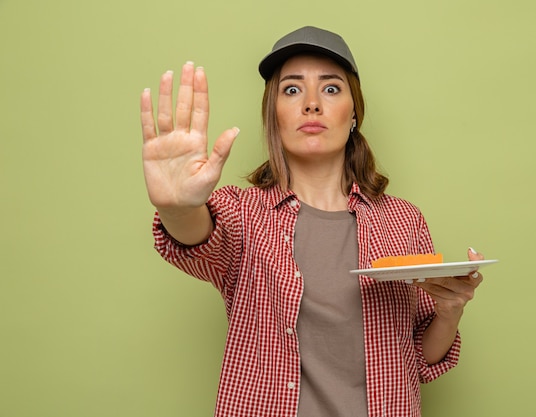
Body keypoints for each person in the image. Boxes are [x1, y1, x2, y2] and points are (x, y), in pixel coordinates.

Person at [140, 26, 485, 417]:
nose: (311, 104)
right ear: (274, 114)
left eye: (331, 88)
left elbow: (423, 359)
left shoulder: (403, 221)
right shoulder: (242, 214)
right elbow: (195, 236)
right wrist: (177, 207)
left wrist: (450, 310)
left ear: (353, 112)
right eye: (291, 89)